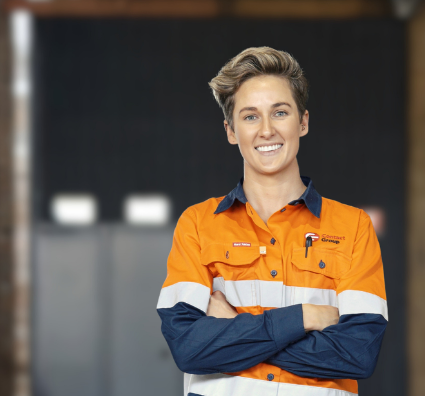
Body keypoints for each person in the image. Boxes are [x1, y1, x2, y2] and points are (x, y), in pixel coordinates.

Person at [155, 46, 389, 396]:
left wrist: (234, 327)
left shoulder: (353, 227)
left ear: (303, 122)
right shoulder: (197, 225)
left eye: (280, 112)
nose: (266, 130)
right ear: (231, 130)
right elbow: (189, 349)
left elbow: (357, 355)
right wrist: (304, 318)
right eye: (250, 116)